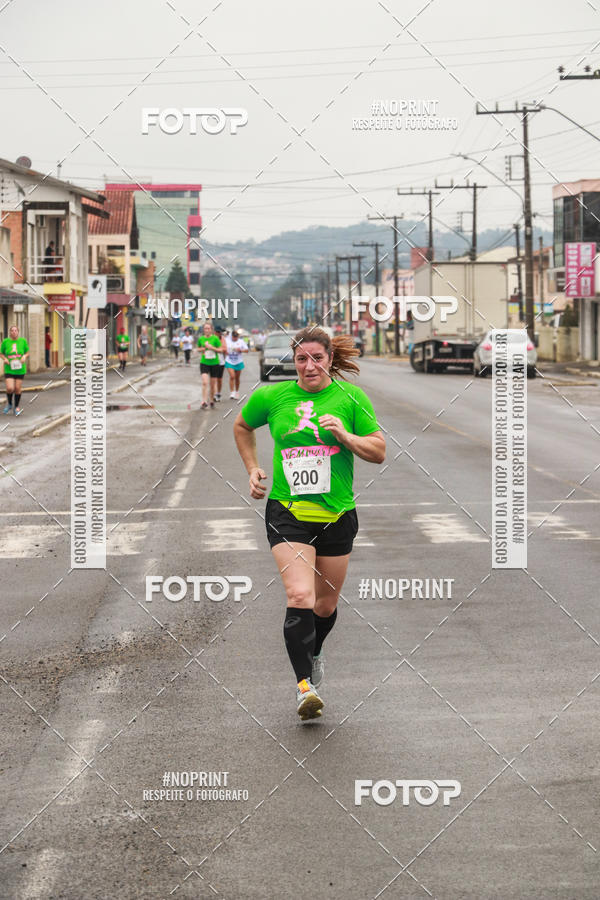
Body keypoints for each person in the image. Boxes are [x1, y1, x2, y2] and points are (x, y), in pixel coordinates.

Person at [233, 327, 385, 720]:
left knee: (325, 604)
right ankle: (304, 688)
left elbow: (378, 450)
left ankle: (315, 652)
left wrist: (345, 436)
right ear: (293, 361)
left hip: (336, 514)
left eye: (317, 358)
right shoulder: (273, 395)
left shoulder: (352, 398)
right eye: (302, 359)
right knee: (299, 596)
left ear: (330, 359)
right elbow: (242, 426)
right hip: (288, 512)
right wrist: (252, 468)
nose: (309, 366)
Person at [1, 324, 30, 416]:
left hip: (20, 369)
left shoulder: (23, 341)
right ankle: (9, 404)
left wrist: (24, 356)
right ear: (9, 332)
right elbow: (1, 353)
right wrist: (4, 359)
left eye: (15, 330)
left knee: (17, 388)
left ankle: (16, 407)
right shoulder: (5, 342)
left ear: (18, 332)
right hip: (9, 368)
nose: (14, 332)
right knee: (10, 388)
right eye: (12, 330)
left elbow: (27, 352)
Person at [197, 322, 225, 409]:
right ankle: (204, 401)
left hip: (214, 363)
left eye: (208, 328)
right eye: (205, 328)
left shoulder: (215, 339)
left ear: (211, 330)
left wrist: (212, 348)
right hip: (204, 362)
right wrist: (203, 348)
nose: (207, 330)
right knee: (205, 382)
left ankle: (212, 400)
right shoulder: (201, 339)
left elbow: (221, 350)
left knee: (212, 385)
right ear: (203, 330)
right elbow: (198, 348)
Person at [225, 329, 248, 399]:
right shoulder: (227, 341)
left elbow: (247, 350)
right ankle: (232, 392)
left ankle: (237, 392)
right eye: (233, 337)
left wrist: (240, 350)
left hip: (238, 361)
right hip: (229, 361)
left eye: (236, 337)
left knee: (237, 378)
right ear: (231, 336)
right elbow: (223, 348)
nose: (235, 338)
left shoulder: (241, 342)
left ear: (238, 337)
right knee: (232, 376)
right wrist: (225, 351)